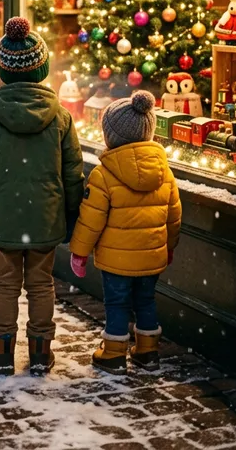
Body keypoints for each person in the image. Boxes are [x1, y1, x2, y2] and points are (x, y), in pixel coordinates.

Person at [0, 17, 84, 376]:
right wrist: (73, 214)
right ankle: (40, 352)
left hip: (1, 218)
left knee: (5, 283)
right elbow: (72, 172)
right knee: (41, 284)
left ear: (3, 71)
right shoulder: (60, 118)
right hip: (46, 217)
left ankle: (1, 351)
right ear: (43, 69)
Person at [70, 90, 182, 374]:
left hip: (116, 261)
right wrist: (169, 246)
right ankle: (147, 351)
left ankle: (114, 353)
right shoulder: (164, 172)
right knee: (145, 300)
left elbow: (91, 220)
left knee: (117, 303)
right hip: (151, 256)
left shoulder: (103, 174)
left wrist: (79, 252)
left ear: (111, 136)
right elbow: (174, 215)